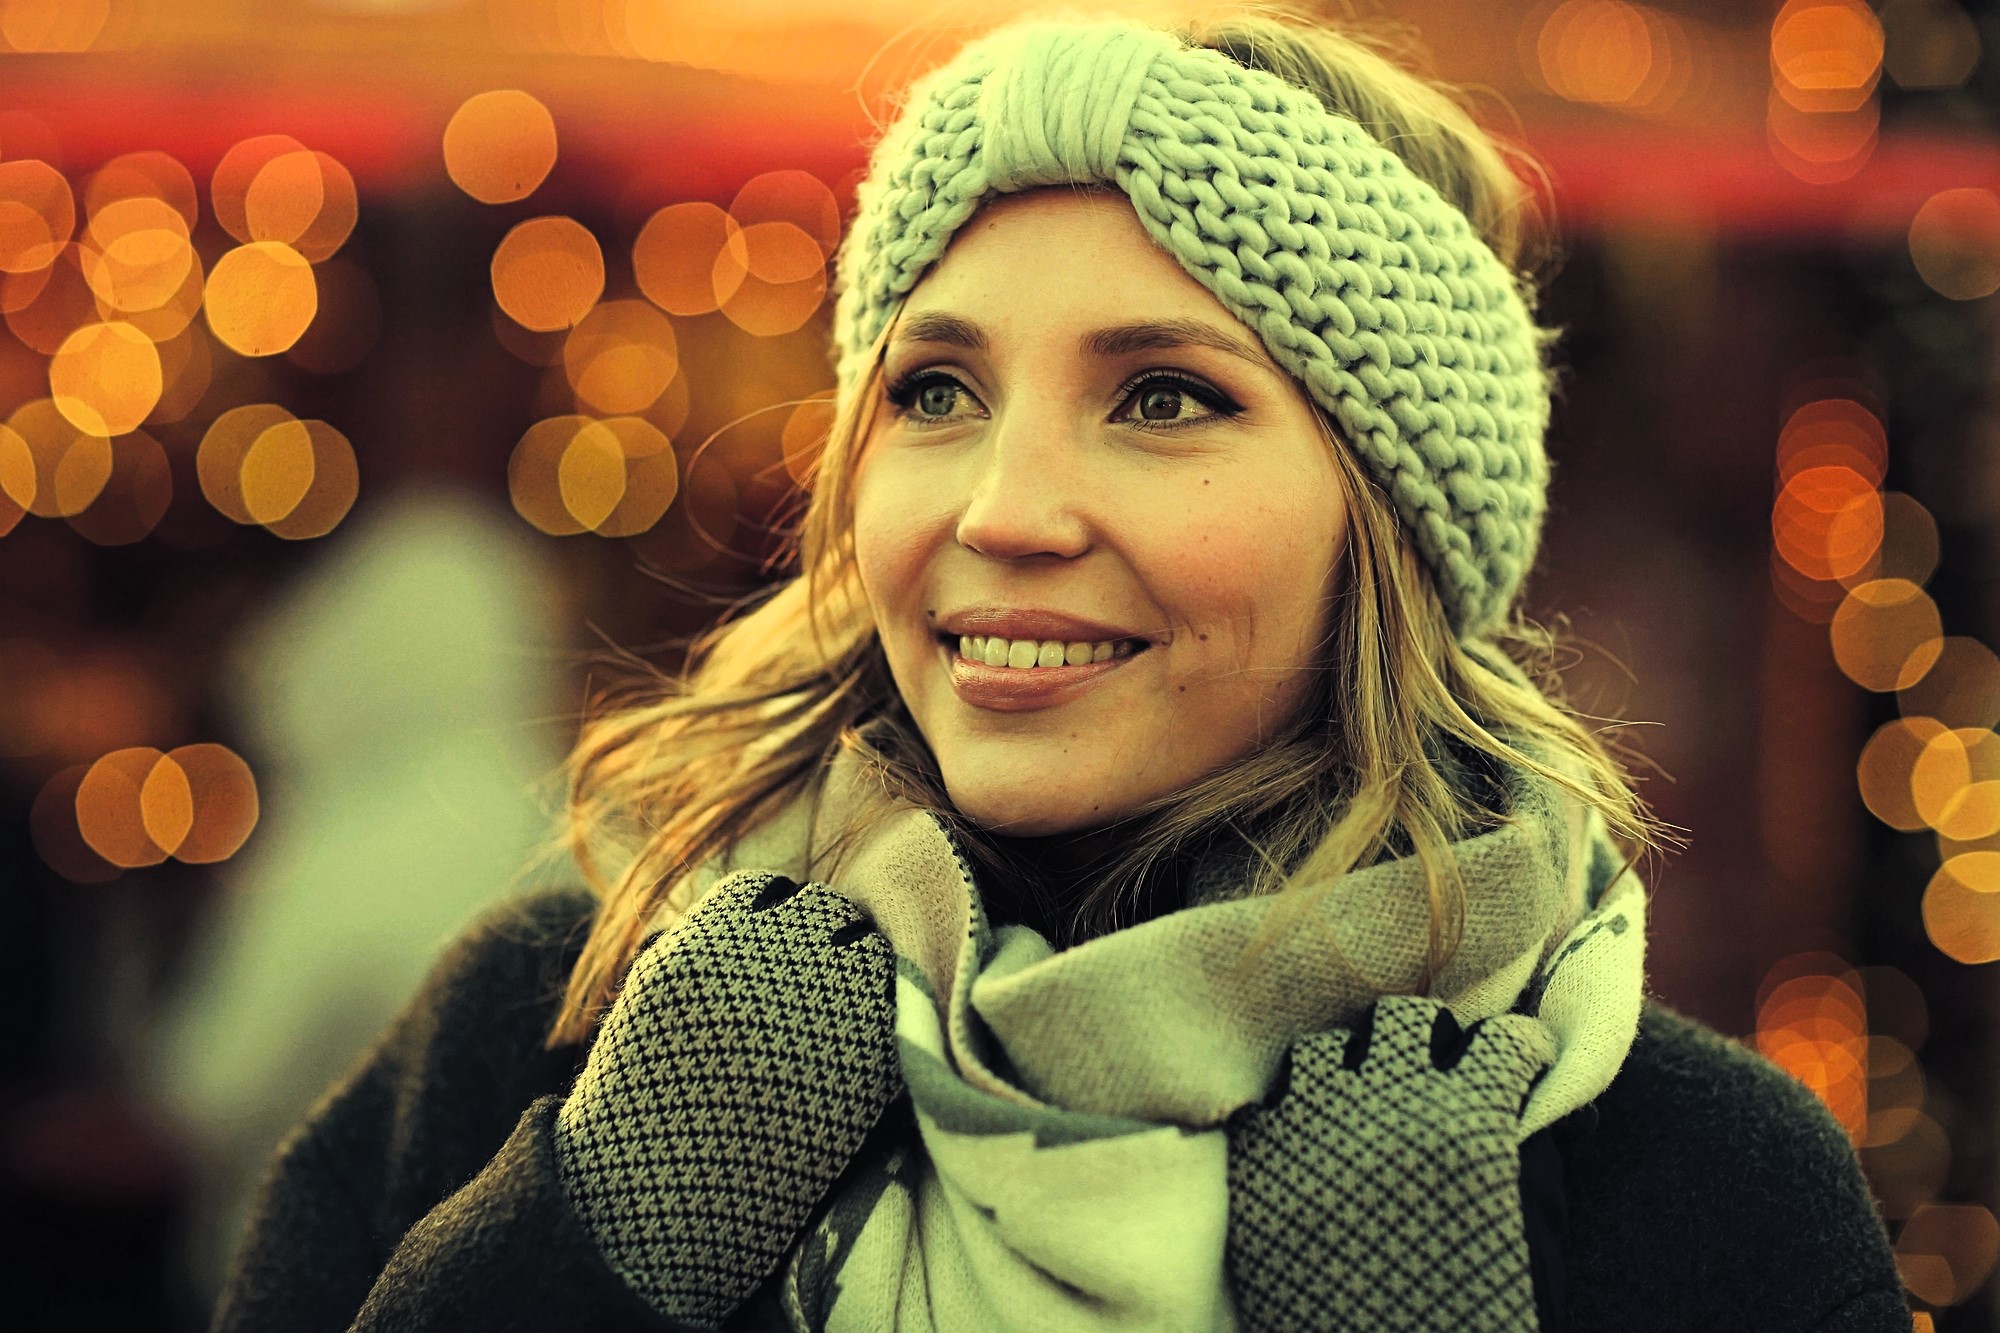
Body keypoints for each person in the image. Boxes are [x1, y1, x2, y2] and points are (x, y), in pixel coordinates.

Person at [211, 11, 1913, 1332]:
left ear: (1383, 520)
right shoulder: (561, 1016)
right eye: (937, 392)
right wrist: (580, 1246)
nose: (1003, 510)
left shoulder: (1690, 1176)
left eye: (1164, 394)